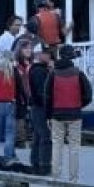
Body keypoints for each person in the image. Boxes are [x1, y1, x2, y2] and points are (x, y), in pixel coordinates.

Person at [46, 44, 94, 182]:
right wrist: (80, 105)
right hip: (75, 114)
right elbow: (88, 95)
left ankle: (56, 176)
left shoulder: (52, 74)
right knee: (74, 147)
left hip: (57, 114)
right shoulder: (78, 73)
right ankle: (73, 179)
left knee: (57, 145)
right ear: (72, 57)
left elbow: (47, 96)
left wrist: (48, 115)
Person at [0, 48, 19, 166]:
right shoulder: (13, 72)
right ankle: (8, 157)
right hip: (10, 103)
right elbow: (20, 88)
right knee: (9, 133)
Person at [26, 45, 53, 174]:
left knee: (38, 136)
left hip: (36, 106)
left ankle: (35, 163)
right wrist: (48, 105)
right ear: (39, 54)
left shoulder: (38, 69)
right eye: (46, 53)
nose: (49, 56)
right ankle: (44, 165)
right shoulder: (39, 71)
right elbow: (40, 91)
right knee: (45, 136)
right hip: (40, 107)